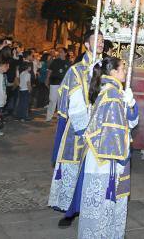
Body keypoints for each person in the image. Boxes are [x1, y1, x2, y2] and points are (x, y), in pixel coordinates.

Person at [76, 56, 138, 239]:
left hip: (100, 156)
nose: (126, 72)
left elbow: (129, 122)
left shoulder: (111, 91)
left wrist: (132, 106)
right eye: (123, 68)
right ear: (113, 72)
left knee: (102, 202)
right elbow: (114, 129)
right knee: (103, 201)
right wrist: (120, 158)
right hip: (106, 158)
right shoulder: (112, 94)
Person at [49, 32, 103, 227]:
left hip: (101, 126)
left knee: (96, 169)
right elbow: (70, 101)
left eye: (103, 40)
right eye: (96, 40)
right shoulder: (76, 70)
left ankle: (93, 206)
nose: (101, 44)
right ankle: (70, 210)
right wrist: (81, 123)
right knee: (74, 166)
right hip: (79, 126)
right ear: (86, 45)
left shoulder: (107, 68)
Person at [45, 48, 67, 122]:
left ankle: (60, 116)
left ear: (65, 53)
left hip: (64, 84)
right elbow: (50, 71)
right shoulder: (55, 61)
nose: (60, 53)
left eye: (62, 52)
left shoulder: (68, 62)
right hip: (54, 82)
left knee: (61, 101)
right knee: (52, 100)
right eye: (60, 52)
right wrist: (47, 79)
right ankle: (49, 117)